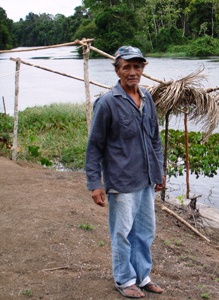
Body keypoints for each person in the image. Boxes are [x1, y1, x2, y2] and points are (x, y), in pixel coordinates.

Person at [85, 46, 165, 298]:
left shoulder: (148, 98)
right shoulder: (108, 103)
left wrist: (159, 171)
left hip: (146, 180)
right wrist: (94, 183)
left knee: (145, 231)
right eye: (127, 67)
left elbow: (155, 139)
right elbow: (95, 145)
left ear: (143, 69)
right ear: (118, 70)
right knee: (122, 233)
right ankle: (124, 279)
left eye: (137, 67)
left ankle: (143, 276)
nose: (133, 72)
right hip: (121, 181)